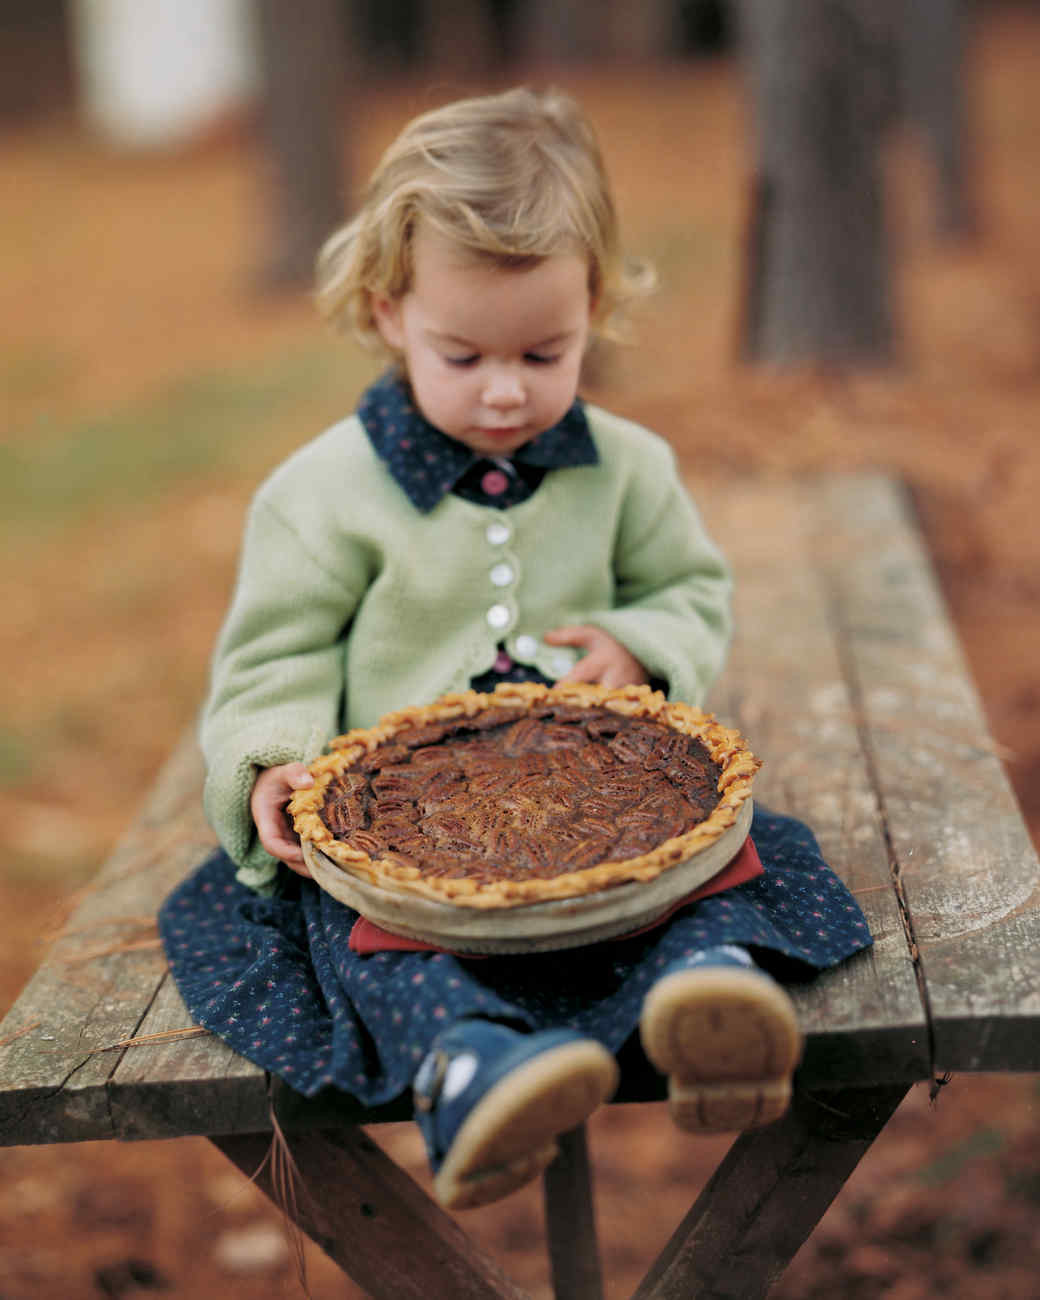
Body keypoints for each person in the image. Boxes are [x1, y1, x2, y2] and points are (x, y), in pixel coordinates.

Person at [160, 87, 871, 1211]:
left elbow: (687, 586)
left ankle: (707, 999)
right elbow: (273, 658)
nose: (505, 388)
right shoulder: (321, 497)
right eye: (463, 353)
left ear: (594, 307)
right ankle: (470, 1061)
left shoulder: (626, 468)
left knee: (723, 865)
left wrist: (641, 643)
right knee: (358, 933)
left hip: (604, 814)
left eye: (546, 351)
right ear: (391, 312)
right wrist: (271, 761)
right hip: (411, 849)